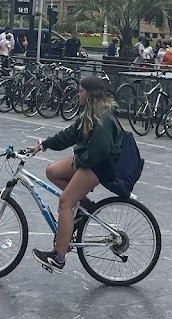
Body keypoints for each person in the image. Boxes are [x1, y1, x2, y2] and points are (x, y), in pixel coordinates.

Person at [29, 75, 122, 273]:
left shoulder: (103, 118)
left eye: (81, 91)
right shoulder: (89, 113)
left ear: (90, 94)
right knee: (52, 170)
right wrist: (42, 145)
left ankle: (58, 257)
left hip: (99, 166)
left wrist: (80, 161)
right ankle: (86, 205)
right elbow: (70, 134)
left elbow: (101, 151)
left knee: (65, 201)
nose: (77, 93)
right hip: (88, 160)